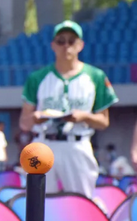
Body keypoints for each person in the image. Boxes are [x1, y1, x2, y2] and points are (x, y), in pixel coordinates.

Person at [19, 20, 118, 199]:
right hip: (43, 144)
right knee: (39, 202)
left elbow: (104, 122)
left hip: (77, 144)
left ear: (80, 45)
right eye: (61, 41)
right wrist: (35, 117)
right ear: (53, 45)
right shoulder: (37, 77)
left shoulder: (95, 76)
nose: (66, 46)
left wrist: (84, 116)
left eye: (71, 41)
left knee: (82, 201)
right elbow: (24, 123)